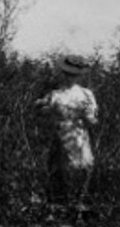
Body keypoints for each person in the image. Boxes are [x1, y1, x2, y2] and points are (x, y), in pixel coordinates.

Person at [35, 54, 99, 208]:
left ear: (79, 76)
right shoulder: (55, 95)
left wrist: (86, 116)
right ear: (63, 74)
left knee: (84, 166)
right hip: (61, 134)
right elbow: (39, 112)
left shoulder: (86, 95)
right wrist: (42, 106)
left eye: (74, 75)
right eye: (68, 74)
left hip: (79, 135)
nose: (70, 78)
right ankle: (61, 205)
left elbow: (94, 121)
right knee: (61, 170)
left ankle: (79, 204)